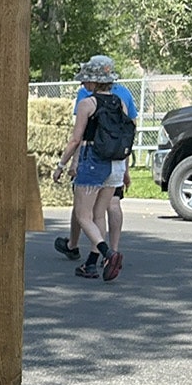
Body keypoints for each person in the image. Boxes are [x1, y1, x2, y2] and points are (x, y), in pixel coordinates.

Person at [57, 54, 137, 270]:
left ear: (94, 81)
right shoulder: (119, 102)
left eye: (86, 80)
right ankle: (91, 264)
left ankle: (108, 253)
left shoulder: (87, 103)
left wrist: (61, 165)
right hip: (116, 165)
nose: (83, 83)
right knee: (98, 215)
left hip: (93, 161)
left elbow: (76, 139)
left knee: (83, 216)